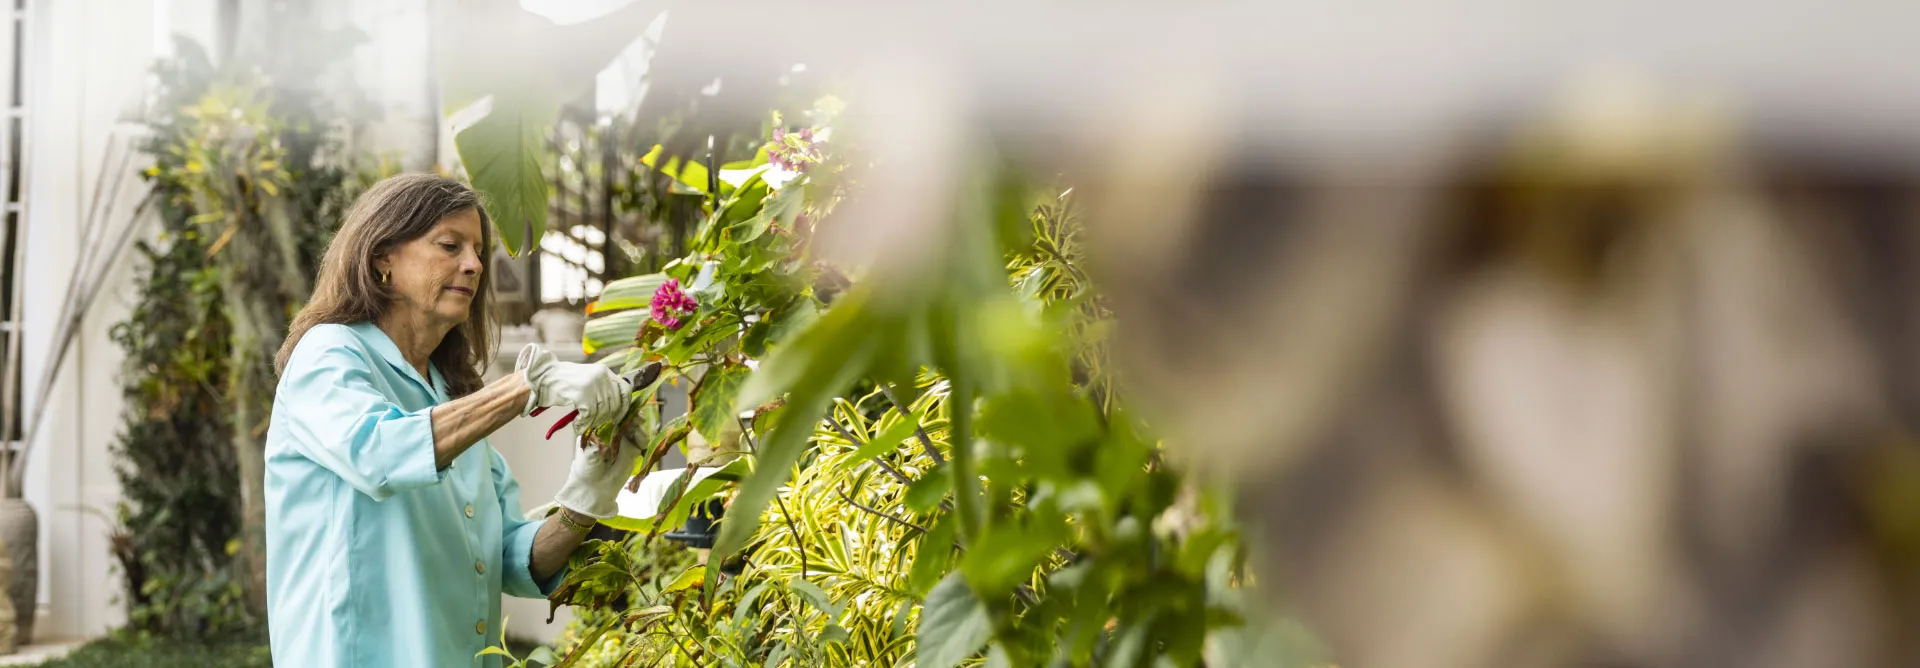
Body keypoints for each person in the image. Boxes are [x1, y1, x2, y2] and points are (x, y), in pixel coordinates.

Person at [264, 174, 640, 667]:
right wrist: (528, 387)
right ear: (383, 258)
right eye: (449, 245)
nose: (474, 265)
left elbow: (507, 556)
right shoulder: (329, 353)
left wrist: (586, 494)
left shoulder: (448, 393)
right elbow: (377, 454)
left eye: (479, 251)